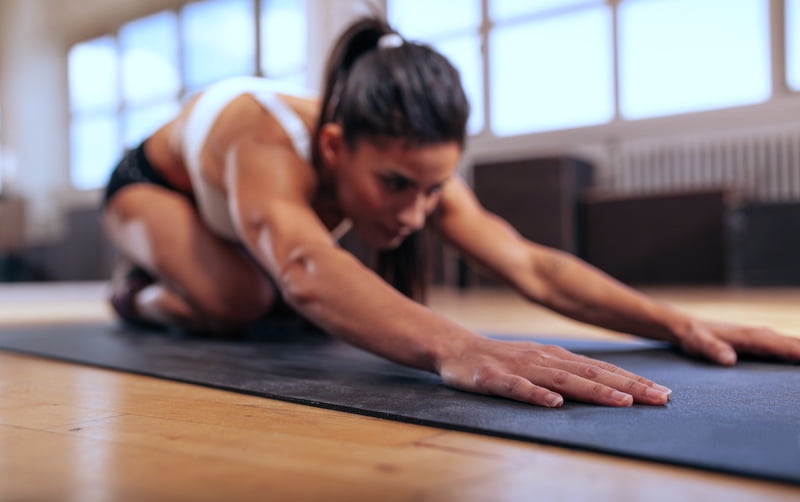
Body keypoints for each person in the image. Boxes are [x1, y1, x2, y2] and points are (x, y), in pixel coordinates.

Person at [101, 16, 800, 409]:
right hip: (154, 191)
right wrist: (458, 345)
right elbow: (307, 267)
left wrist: (677, 323)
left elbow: (530, 264)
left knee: (267, 294)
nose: (417, 211)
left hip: (241, 222)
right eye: (398, 185)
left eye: (434, 190)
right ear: (336, 146)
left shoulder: (413, 174)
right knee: (241, 297)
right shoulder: (264, 137)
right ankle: (140, 295)